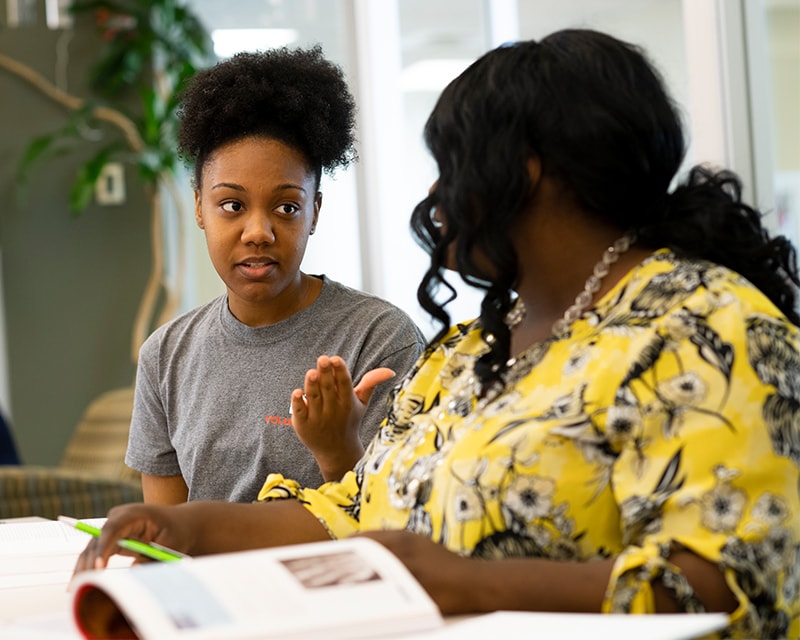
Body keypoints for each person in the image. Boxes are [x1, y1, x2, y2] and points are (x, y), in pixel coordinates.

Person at [78, 29, 800, 638]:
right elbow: (350, 506)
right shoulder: (466, 352)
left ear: (530, 172)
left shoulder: (707, 329)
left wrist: (471, 586)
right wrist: (191, 531)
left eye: (450, 168)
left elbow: (737, 588)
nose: (434, 199)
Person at [125, 46, 426, 504]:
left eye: (287, 207)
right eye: (232, 205)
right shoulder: (166, 355)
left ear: (314, 213)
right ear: (199, 208)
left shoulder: (380, 340)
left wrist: (338, 451)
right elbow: (165, 537)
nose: (259, 233)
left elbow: (402, 521)